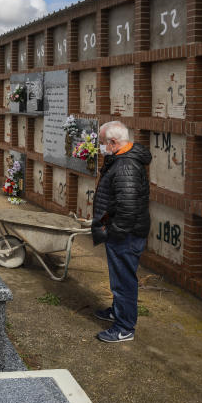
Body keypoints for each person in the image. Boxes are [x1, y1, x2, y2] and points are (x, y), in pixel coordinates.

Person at [90, 121, 152, 343]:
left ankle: (125, 327)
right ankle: (118, 311)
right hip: (122, 232)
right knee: (119, 278)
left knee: (123, 282)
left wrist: (112, 232)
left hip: (125, 235)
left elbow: (128, 208)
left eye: (103, 144)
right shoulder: (120, 160)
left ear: (113, 142)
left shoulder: (126, 166)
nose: (101, 148)